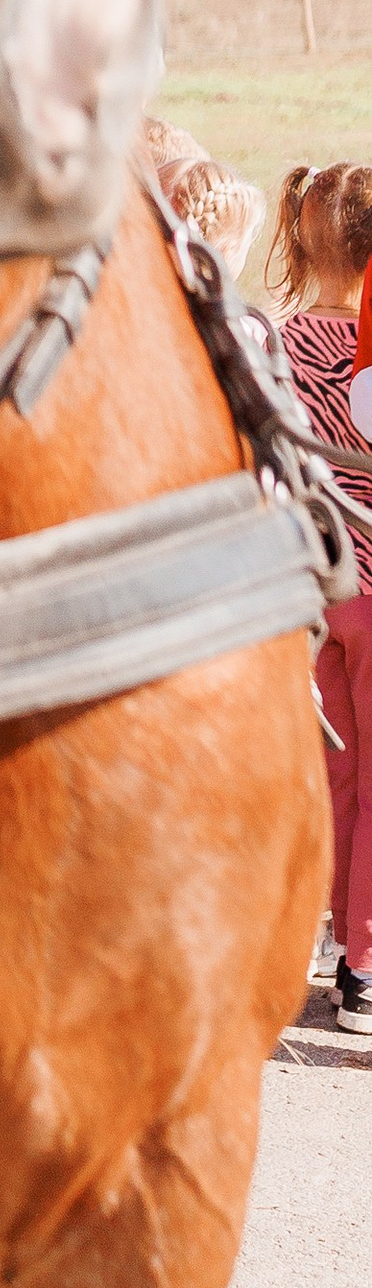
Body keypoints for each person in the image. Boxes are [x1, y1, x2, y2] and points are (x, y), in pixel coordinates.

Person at [281, 251, 372, 1031]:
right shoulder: (362, 349)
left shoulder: (281, 340)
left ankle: (325, 940)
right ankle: (364, 970)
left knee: (336, 780)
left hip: (318, 580)